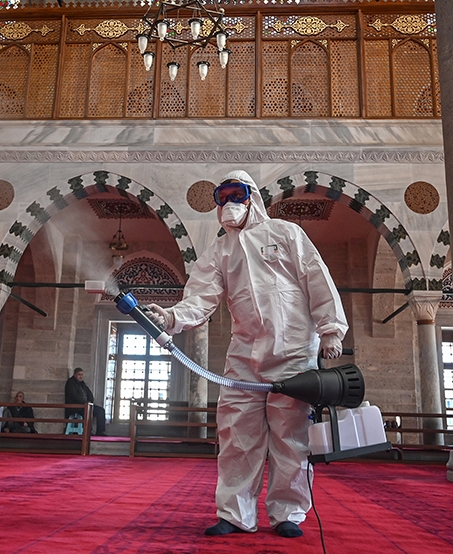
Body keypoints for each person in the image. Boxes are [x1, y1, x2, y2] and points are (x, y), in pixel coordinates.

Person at [145, 170, 347, 539]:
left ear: (252, 196)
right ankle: (235, 514)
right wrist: (174, 317)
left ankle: (288, 513)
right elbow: (201, 296)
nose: (228, 205)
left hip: (293, 352)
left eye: (235, 195)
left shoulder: (285, 233)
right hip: (243, 358)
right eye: (221, 198)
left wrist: (331, 329)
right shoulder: (220, 250)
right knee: (237, 436)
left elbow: (316, 277)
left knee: (291, 437)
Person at [65, 368, 106, 436]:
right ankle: (87, 431)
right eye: (79, 375)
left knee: (100, 411)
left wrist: (90, 402)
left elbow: (89, 393)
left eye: (82, 375)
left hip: (86, 405)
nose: (81, 376)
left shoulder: (82, 384)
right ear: (75, 375)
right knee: (87, 412)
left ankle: (100, 431)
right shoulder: (70, 383)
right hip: (76, 407)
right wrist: (85, 403)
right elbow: (74, 396)